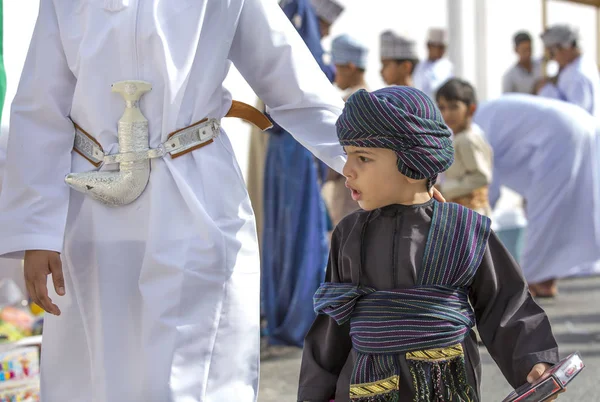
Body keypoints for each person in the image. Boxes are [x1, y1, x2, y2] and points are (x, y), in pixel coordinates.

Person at [0, 1, 349, 401]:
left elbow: (292, 79)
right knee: (99, 371)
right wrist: (36, 231)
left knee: (191, 372)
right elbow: (40, 105)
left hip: (193, 191)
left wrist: (373, 156)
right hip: (92, 206)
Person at [298, 86, 559, 402]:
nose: (347, 169)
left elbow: (504, 303)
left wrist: (533, 363)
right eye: (347, 154)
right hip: (364, 387)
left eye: (363, 158)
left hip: (445, 384)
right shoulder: (348, 233)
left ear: (413, 165)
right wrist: (315, 392)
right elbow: (332, 325)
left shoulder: (465, 229)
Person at [474, 94, 600, 298]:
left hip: (562, 134)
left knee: (546, 213)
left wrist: (473, 219)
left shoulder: (472, 131)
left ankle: (534, 278)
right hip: (582, 124)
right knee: (568, 209)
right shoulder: (486, 113)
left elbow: (486, 183)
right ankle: (545, 278)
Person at [322, 34, 369, 227]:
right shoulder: (371, 98)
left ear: (350, 67)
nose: (334, 74)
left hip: (348, 188)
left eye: (337, 68)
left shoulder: (352, 103)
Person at [436, 78, 492, 216]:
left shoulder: (466, 139)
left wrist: (444, 188)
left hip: (471, 214)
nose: (447, 114)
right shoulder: (461, 136)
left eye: (454, 107)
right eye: (442, 108)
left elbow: (481, 177)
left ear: (471, 109)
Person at [538, 24, 600, 117]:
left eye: (552, 52)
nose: (552, 58)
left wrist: (546, 89)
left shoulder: (576, 76)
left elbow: (575, 118)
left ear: (566, 47)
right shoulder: (584, 63)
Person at [413, 28, 454, 99]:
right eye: (439, 47)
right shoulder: (420, 66)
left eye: (444, 48)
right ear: (429, 46)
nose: (442, 51)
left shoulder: (446, 66)